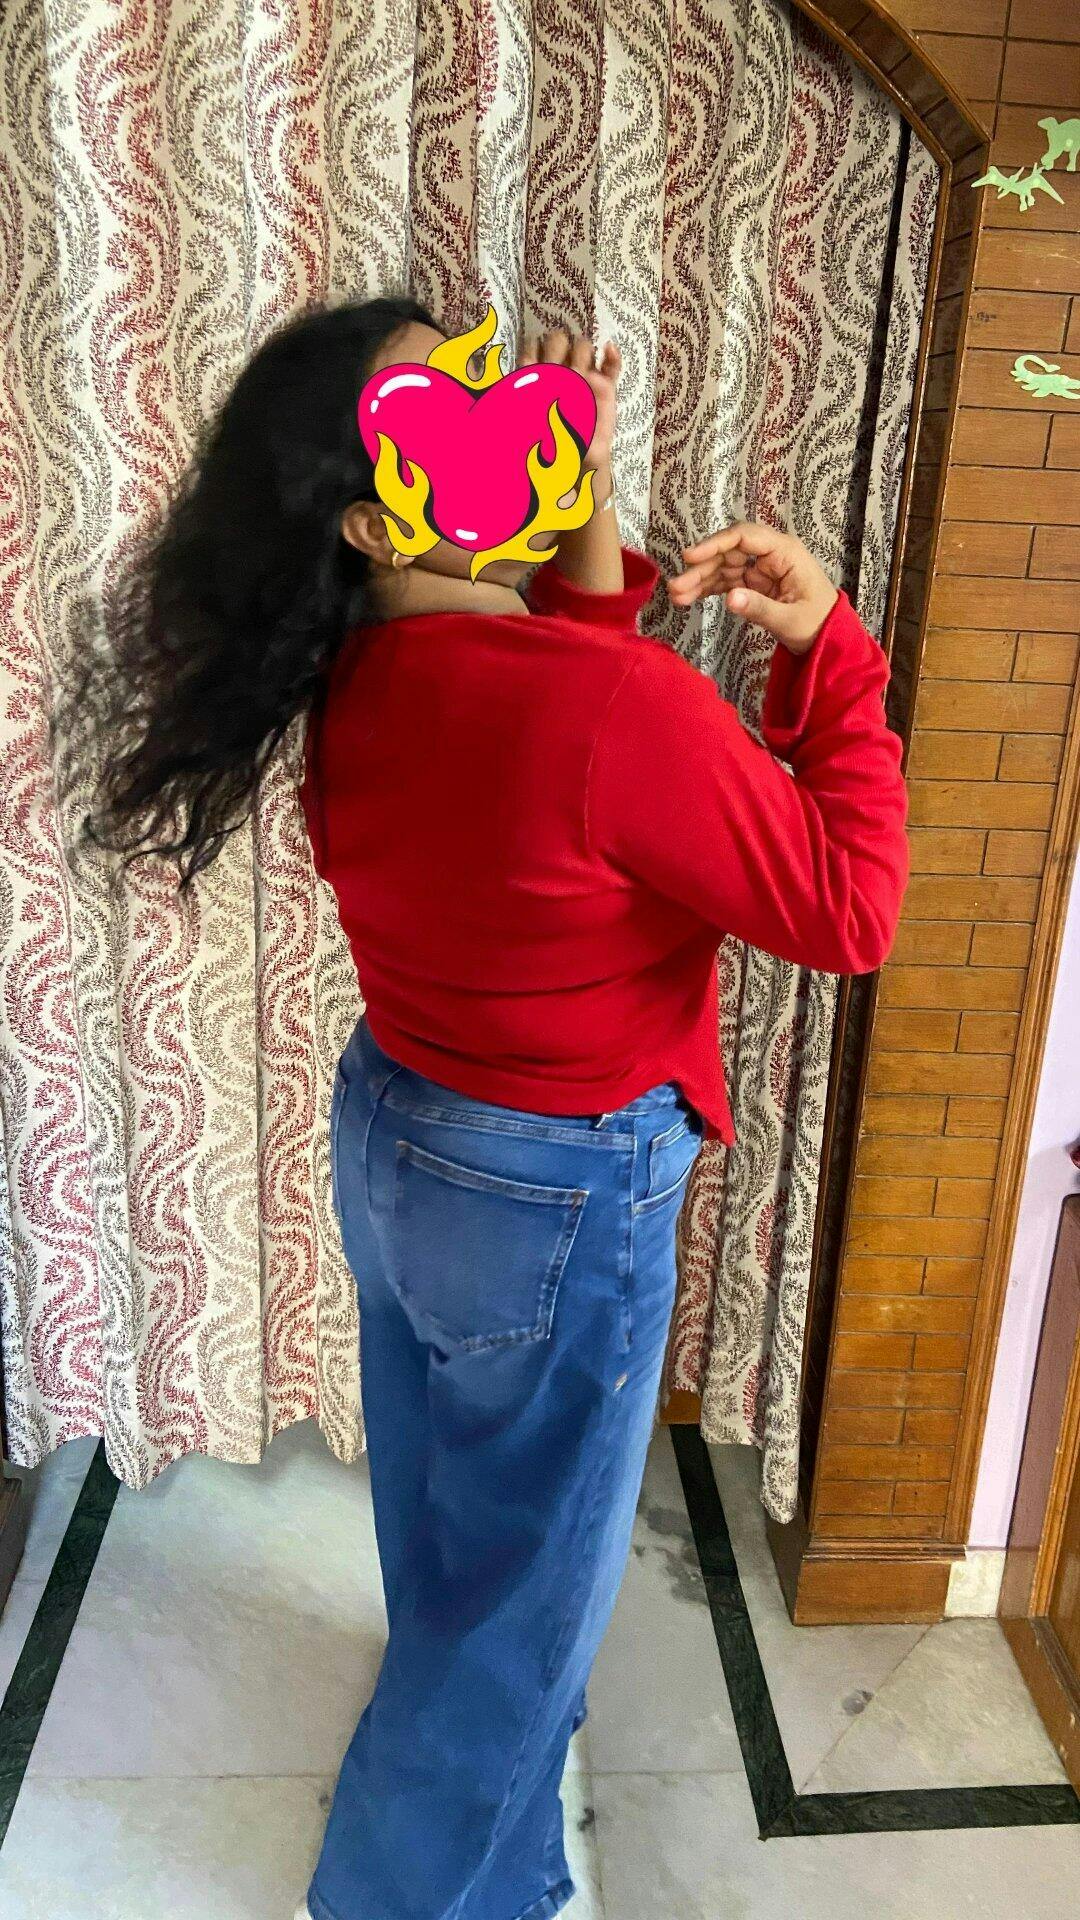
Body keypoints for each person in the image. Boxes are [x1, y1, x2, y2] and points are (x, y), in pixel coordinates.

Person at [55, 294, 909, 1920]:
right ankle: (406, 1898)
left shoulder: (359, 674)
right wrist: (831, 653)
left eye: (494, 392)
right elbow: (848, 908)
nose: (501, 420)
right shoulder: (607, 712)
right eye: (446, 419)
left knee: (463, 1535)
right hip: (553, 1189)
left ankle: (495, 1844)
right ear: (378, 509)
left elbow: (557, 696)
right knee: (526, 1600)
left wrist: (577, 490)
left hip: (407, 1142)